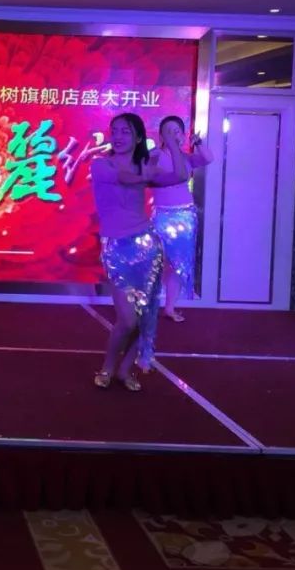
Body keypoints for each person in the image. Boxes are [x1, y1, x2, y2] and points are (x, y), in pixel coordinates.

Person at [90, 114, 187, 391]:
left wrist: (171, 142)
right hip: (116, 247)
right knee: (127, 319)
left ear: (138, 137)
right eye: (115, 131)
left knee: (145, 317)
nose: (118, 136)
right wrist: (147, 173)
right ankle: (108, 366)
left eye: (126, 132)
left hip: (147, 246)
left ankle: (125, 369)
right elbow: (126, 179)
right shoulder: (101, 165)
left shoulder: (144, 166)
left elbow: (181, 175)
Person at [151, 116, 214, 322]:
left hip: (185, 216)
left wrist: (198, 142)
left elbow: (208, 158)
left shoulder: (186, 158)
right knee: (157, 262)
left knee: (178, 264)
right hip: (162, 215)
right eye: (168, 131)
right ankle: (148, 305)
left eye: (177, 130)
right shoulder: (155, 155)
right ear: (161, 135)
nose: (173, 134)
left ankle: (169, 308)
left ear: (183, 134)